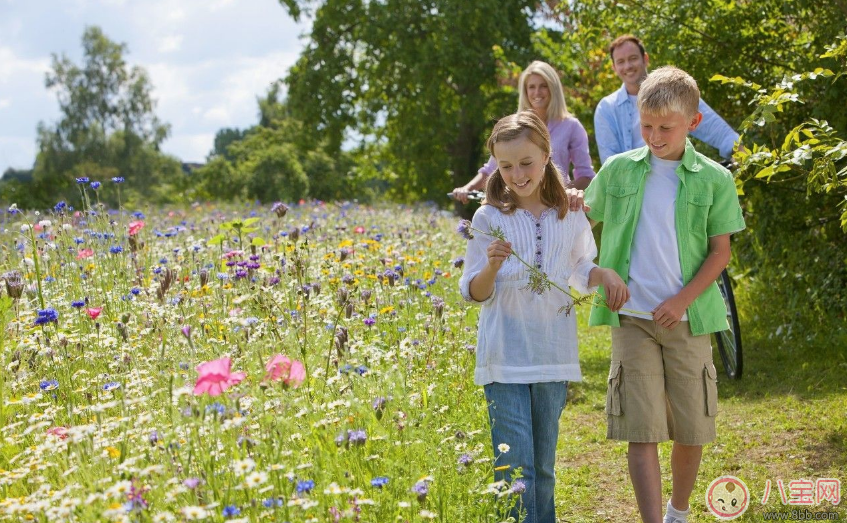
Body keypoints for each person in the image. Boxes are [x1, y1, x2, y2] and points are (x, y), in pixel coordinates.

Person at [584, 67, 746, 523]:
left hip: (688, 318)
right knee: (643, 429)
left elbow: (720, 254)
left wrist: (681, 301)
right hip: (631, 318)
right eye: (646, 126)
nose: (654, 136)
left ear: (693, 123)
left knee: (693, 427)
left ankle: (678, 511)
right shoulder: (618, 170)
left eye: (666, 128)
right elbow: (578, 223)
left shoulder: (714, 180)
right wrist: (594, 270)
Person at [458, 111, 626, 523]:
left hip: (552, 355)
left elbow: (580, 268)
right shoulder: (489, 218)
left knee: (544, 469)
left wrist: (601, 274)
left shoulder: (568, 216)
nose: (517, 174)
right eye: (506, 166)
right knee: (515, 469)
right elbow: (474, 292)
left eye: (526, 162)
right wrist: (492, 267)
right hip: (503, 357)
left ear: (548, 155)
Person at [452, 61, 595, 203]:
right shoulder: (516, 127)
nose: (537, 92)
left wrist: (559, 193)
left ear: (553, 88)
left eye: (543, 86)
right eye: (531, 87)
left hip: (555, 206)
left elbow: (586, 175)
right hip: (517, 206)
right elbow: (492, 168)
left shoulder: (572, 126)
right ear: (525, 91)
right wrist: (467, 188)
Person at [594, 34, 740, 166]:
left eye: (633, 58)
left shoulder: (674, 91)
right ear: (614, 67)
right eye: (621, 61)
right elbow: (611, 164)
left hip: (677, 181)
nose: (628, 66)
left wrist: (739, 151)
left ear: (645, 59)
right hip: (633, 189)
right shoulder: (606, 108)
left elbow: (713, 127)